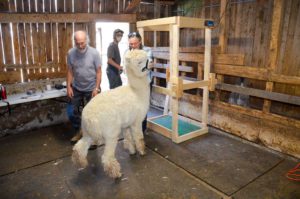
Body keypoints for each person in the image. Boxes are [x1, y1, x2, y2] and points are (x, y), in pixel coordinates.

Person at [67, 30, 102, 143]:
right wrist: (68, 86)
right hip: (77, 87)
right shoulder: (71, 53)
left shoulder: (94, 53)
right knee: (72, 112)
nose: (80, 46)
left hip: (92, 88)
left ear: (86, 40)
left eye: (82, 43)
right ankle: (80, 131)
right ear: (74, 42)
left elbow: (98, 71)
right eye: (78, 43)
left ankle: (93, 138)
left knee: (92, 115)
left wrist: (96, 88)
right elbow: (70, 71)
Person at [127, 31, 153, 133]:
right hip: (132, 83)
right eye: (131, 44)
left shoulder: (147, 50)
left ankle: (142, 130)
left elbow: (148, 66)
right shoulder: (127, 51)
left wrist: (141, 66)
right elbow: (127, 69)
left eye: (135, 43)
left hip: (144, 83)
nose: (133, 46)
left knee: (143, 106)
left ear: (140, 41)